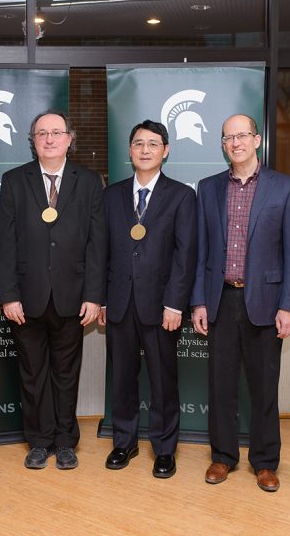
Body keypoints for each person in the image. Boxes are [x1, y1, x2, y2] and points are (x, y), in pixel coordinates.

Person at [190, 114, 290, 492]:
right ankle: (222, 457)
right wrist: (198, 302)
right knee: (220, 386)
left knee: (264, 387)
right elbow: (201, 251)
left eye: (242, 135)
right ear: (222, 145)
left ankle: (265, 462)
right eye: (228, 137)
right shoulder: (207, 188)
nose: (235, 142)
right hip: (220, 299)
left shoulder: (284, 188)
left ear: (257, 140)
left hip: (266, 304)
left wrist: (289, 306)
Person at [0, 111, 106, 470]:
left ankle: (65, 440)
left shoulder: (89, 182)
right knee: (32, 374)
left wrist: (94, 295)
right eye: (41, 133)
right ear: (33, 140)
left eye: (56, 133)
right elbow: (5, 244)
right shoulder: (13, 181)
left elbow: (97, 244)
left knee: (66, 373)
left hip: (73, 298)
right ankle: (39, 441)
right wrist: (9, 295)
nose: (49, 139)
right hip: (26, 300)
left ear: (69, 139)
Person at [98, 120, 197, 478]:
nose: (144, 149)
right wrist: (103, 300)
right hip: (120, 303)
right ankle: (124, 442)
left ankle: (165, 449)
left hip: (161, 307)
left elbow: (186, 255)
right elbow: (102, 252)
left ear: (165, 150)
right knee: (122, 377)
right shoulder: (111, 195)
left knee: (163, 379)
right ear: (129, 150)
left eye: (153, 144)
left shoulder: (182, 196)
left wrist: (175, 304)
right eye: (138, 143)